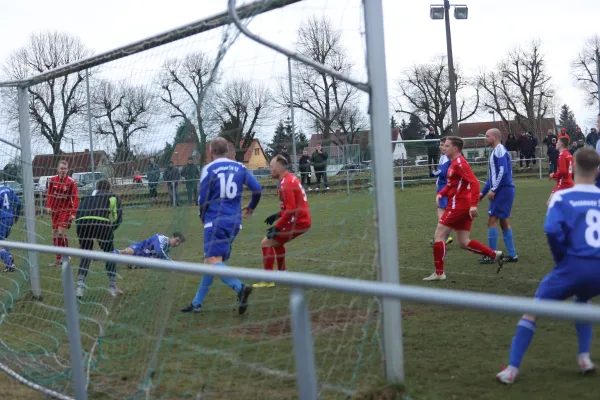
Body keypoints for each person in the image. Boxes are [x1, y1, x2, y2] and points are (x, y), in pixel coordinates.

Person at [496, 147, 600, 384]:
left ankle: (511, 369)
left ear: (573, 167)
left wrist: (561, 258)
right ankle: (584, 358)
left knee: (532, 311)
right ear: (597, 171)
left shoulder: (562, 197)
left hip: (573, 265)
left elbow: (552, 230)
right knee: (582, 302)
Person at [180, 137, 261, 315]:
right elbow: (257, 188)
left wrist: (202, 216)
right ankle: (197, 303)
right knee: (209, 261)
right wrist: (252, 207)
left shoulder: (209, 168)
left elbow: (203, 198)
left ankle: (240, 288)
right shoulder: (240, 167)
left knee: (213, 261)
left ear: (211, 151)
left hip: (215, 220)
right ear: (228, 151)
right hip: (234, 222)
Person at [424, 136, 504, 281]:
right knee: (463, 242)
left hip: (458, 206)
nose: (444, 148)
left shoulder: (460, 164)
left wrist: (474, 204)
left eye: (447, 146)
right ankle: (493, 254)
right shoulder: (453, 163)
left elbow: (475, 183)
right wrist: (442, 194)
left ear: (455, 148)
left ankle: (439, 273)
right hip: (462, 206)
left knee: (439, 235)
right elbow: (451, 185)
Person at [253, 155, 311, 288]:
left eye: (271, 167)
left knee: (266, 243)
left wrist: (277, 227)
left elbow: (291, 209)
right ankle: (282, 273)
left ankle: (268, 280)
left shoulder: (287, 183)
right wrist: (277, 215)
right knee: (277, 243)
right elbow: (291, 206)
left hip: (298, 221)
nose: (270, 170)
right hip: (299, 219)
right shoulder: (288, 179)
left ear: (279, 168)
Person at [74, 179, 123, 299]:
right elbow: (117, 218)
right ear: (109, 188)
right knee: (109, 254)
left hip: (82, 223)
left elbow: (78, 214)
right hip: (101, 223)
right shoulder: (112, 196)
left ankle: (80, 287)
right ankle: (112, 287)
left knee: (86, 254)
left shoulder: (86, 197)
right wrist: (110, 230)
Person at [478, 129, 518, 264]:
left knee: (492, 220)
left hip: (503, 190)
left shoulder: (499, 150)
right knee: (503, 221)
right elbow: (491, 177)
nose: (485, 138)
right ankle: (512, 255)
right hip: (503, 190)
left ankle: (491, 255)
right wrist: (482, 193)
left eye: (487, 136)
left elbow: (502, 171)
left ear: (495, 137)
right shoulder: (495, 151)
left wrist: (494, 190)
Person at [46, 160, 79, 267]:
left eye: (65, 169)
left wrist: (73, 213)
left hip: (65, 211)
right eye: (61, 168)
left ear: (67, 170)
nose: (63, 170)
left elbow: (75, 198)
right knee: (55, 234)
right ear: (58, 169)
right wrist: (48, 206)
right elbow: (49, 194)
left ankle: (66, 255)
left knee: (60, 232)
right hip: (54, 212)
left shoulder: (71, 182)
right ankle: (58, 258)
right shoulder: (52, 180)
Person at [429, 137, 453, 246]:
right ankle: (442, 237)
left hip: (444, 188)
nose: (440, 146)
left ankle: (442, 238)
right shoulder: (443, 157)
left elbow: (443, 173)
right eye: (440, 144)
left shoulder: (448, 158)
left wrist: (434, 173)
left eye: (443, 144)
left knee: (442, 216)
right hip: (442, 187)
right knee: (441, 214)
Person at [118, 232, 185, 266]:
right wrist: (172, 262)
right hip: (141, 248)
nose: (177, 244)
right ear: (172, 237)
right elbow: (159, 252)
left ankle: (133, 264)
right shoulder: (161, 238)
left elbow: (162, 259)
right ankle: (111, 253)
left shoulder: (168, 249)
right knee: (125, 252)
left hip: (145, 256)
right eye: (177, 241)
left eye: (179, 243)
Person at [0, 183, 22, 273]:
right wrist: (16, 215)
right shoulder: (9, 189)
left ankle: (9, 264)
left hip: (1, 219)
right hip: (10, 218)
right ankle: (8, 259)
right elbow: (19, 203)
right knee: (3, 240)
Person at [548, 137, 574, 205]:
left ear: (561, 144)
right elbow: (573, 170)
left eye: (557, 142)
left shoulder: (562, 155)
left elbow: (563, 172)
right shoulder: (569, 155)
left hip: (563, 184)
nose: (556, 143)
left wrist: (553, 175)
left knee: (550, 203)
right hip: (569, 183)